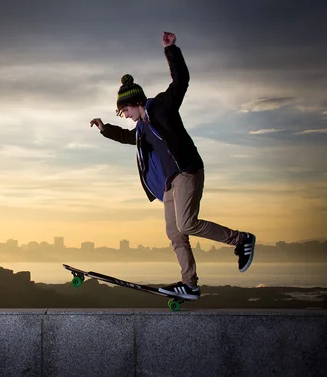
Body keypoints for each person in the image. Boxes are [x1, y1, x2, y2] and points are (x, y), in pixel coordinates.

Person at [89, 31, 256, 300]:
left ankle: (241, 239)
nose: (125, 116)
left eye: (124, 111)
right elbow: (126, 137)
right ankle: (189, 283)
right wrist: (103, 128)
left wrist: (171, 50)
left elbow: (181, 81)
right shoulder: (142, 129)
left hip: (187, 171)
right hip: (169, 183)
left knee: (186, 223)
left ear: (134, 103)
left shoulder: (162, 107)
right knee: (174, 232)